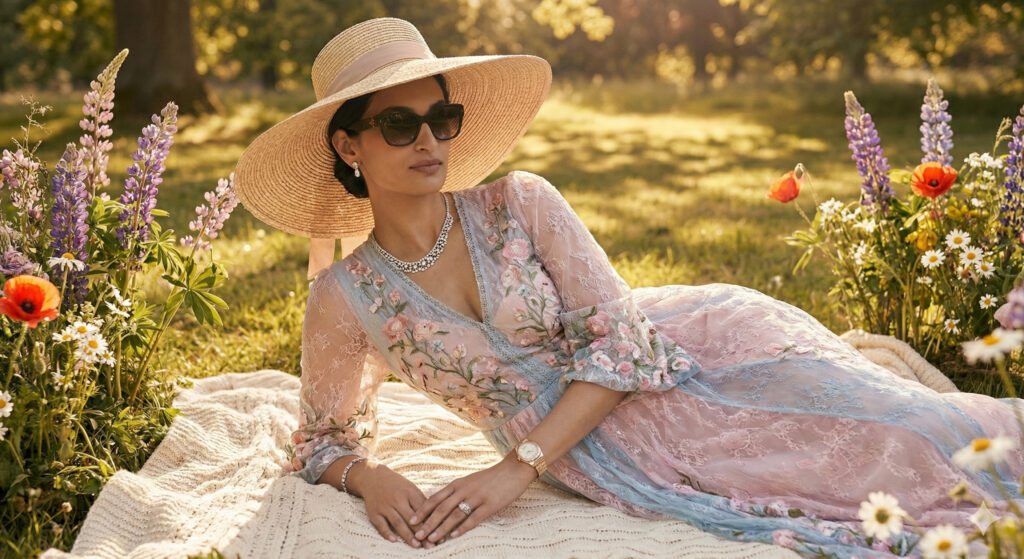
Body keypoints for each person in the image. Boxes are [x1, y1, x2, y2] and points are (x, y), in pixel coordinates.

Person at [234, 17, 1024, 558]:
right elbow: (324, 438)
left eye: (442, 116)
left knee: (910, 428)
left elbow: (623, 343)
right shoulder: (347, 295)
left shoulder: (520, 201)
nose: (432, 140)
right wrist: (370, 477)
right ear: (349, 142)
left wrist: (518, 466)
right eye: (400, 126)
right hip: (606, 449)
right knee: (836, 487)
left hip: (692, 347)